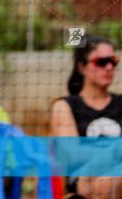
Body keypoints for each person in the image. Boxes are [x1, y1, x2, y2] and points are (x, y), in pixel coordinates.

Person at [51, 35, 121, 199]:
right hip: (83, 181)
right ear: (81, 67)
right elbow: (72, 155)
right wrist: (116, 150)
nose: (109, 67)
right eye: (101, 62)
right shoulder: (65, 106)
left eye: (114, 61)